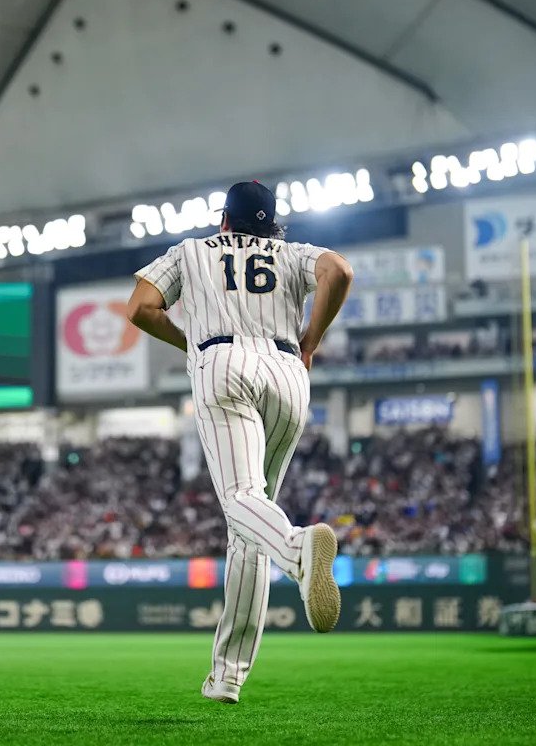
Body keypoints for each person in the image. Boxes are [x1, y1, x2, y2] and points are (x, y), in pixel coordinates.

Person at [128, 180, 354, 704]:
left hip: (222, 362)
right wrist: (311, 341)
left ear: (223, 219)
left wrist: (191, 344)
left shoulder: (190, 251)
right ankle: (227, 677)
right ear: (269, 224)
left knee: (240, 500)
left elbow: (141, 307)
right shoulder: (292, 253)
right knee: (250, 521)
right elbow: (339, 271)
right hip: (288, 371)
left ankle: (298, 550)